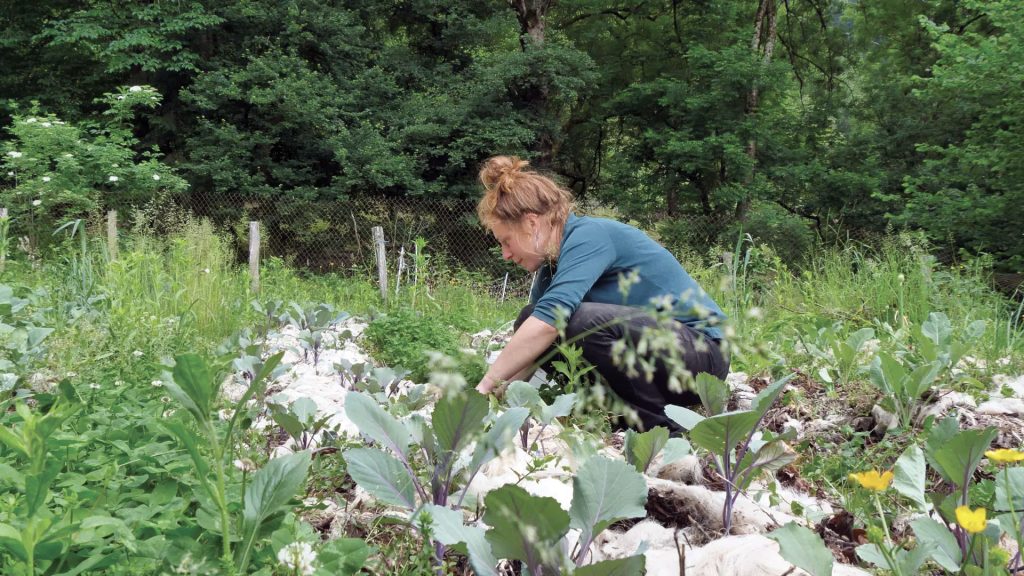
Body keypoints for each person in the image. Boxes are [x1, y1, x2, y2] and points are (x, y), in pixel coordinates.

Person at [474, 155, 730, 433]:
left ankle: (661, 427)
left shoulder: (589, 235)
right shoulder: (550, 265)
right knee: (529, 320)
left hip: (702, 357)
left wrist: (483, 387)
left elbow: (550, 324)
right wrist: (492, 401)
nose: (506, 254)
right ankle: (623, 415)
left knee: (574, 322)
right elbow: (535, 346)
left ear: (531, 223)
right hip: (659, 363)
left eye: (506, 241)